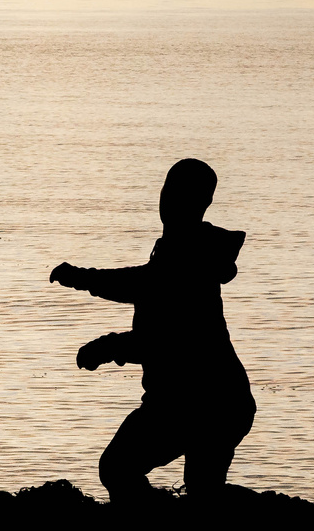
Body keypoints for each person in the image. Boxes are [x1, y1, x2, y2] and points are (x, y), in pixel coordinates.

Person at [49, 158, 255, 505]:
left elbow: (168, 342)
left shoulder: (190, 257)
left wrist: (106, 346)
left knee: (119, 468)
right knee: (202, 489)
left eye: (178, 194)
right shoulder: (179, 249)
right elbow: (140, 284)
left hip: (207, 401)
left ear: (202, 203)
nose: (167, 200)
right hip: (200, 400)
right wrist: (82, 278)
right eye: (167, 190)